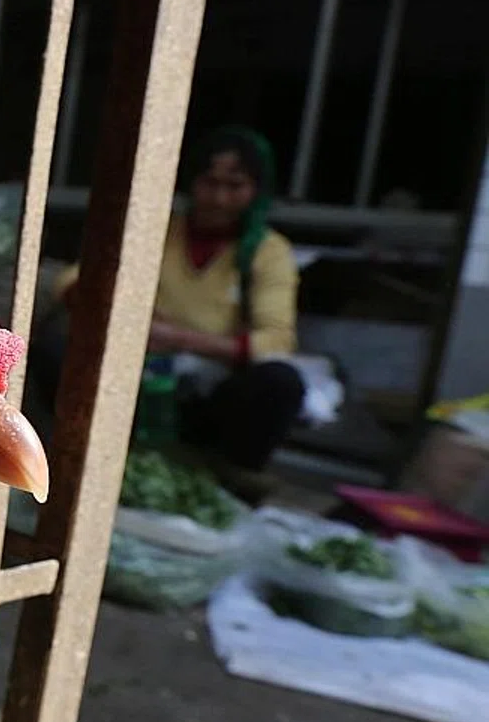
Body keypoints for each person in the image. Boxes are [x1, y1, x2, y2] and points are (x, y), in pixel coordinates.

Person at [31, 125, 305, 473]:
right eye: (210, 183)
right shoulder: (158, 232)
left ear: (256, 190)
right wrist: (128, 322)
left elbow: (276, 340)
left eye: (234, 186)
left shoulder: (268, 251)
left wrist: (179, 338)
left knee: (280, 382)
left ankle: (229, 474)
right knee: (54, 346)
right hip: (134, 378)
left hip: (211, 389)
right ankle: (88, 457)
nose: (219, 198)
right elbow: (73, 281)